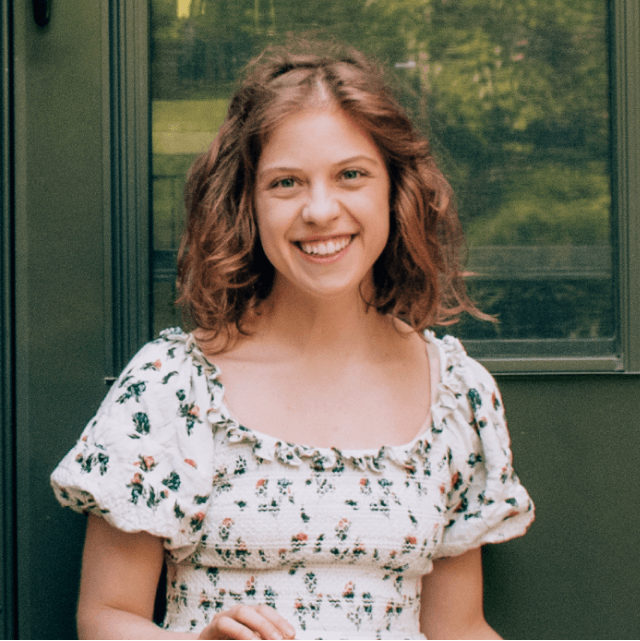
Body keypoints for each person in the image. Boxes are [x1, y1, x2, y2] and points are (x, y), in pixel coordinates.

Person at [51, 40, 534, 641]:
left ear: (395, 189)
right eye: (286, 183)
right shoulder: (174, 386)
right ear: (247, 203)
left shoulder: (455, 393)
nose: (321, 209)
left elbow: (458, 627)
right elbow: (104, 617)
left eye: (351, 175)